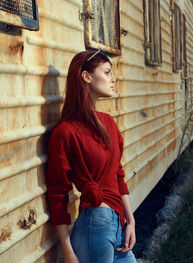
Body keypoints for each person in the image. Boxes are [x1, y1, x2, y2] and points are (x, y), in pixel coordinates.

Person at [45, 50, 137, 263]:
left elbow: (118, 175)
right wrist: (67, 250)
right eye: (106, 72)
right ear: (86, 76)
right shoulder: (65, 131)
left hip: (117, 225)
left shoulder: (108, 123)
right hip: (94, 226)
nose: (112, 78)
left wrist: (130, 221)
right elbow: (57, 193)